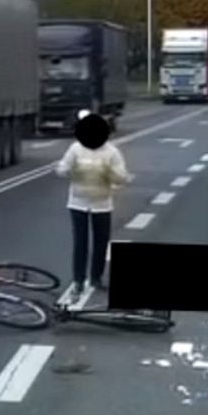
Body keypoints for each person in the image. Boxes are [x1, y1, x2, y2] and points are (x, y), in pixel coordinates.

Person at [55, 110, 131, 297]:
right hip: (78, 202)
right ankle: (79, 280)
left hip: (102, 203)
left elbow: (122, 178)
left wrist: (110, 172)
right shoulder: (75, 149)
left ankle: (96, 277)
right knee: (80, 243)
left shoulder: (112, 152)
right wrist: (70, 169)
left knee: (100, 242)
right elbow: (61, 170)